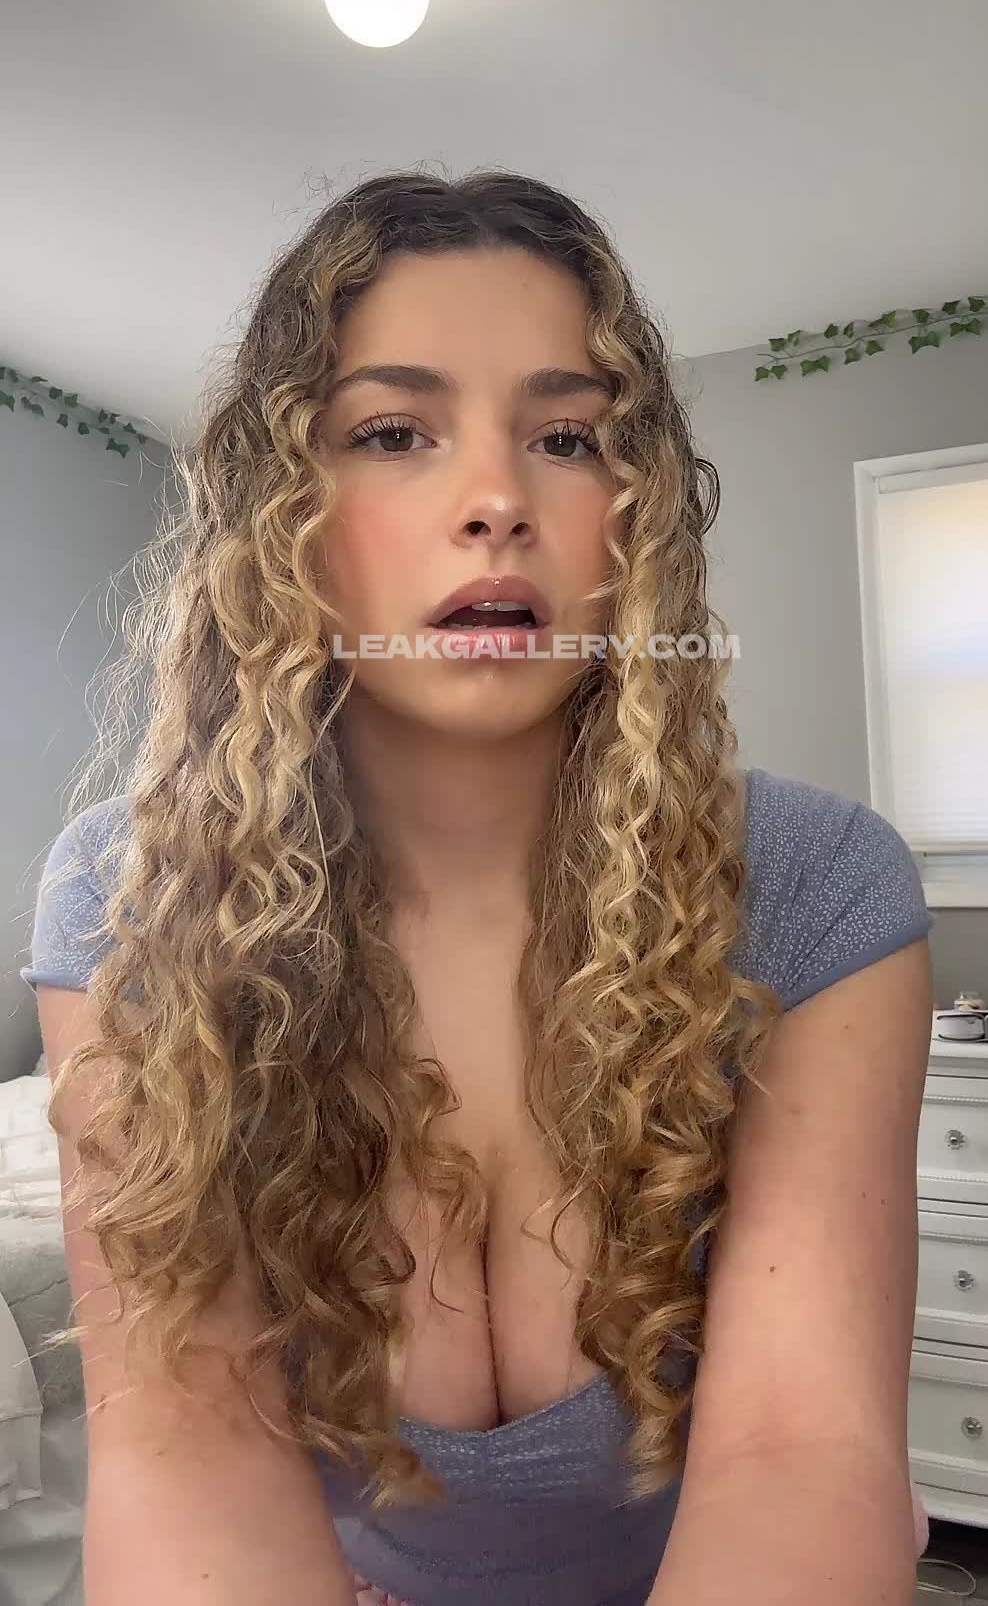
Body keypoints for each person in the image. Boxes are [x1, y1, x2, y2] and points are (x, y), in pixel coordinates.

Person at [23, 169, 934, 1606]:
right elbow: (189, 1452)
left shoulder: (816, 892)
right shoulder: (126, 901)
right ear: (282, 515)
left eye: (568, 437)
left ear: (634, 519)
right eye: (394, 433)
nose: (499, 501)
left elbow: (799, 1453)